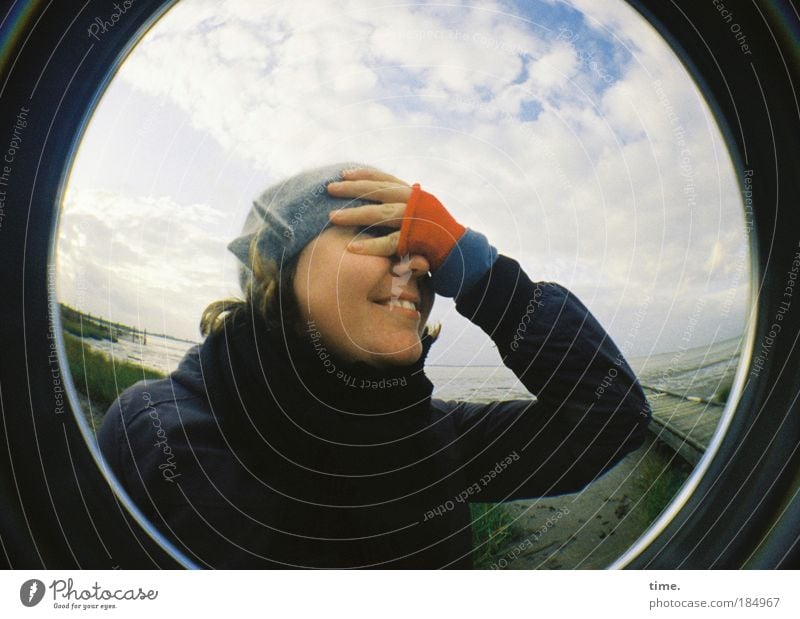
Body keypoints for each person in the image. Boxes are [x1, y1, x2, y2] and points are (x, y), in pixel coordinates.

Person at [98, 163, 651, 569]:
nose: (413, 261)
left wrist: (484, 275)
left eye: (422, 246)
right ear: (276, 265)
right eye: (376, 232)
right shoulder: (164, 434)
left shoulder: (432, 433)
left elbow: (610, 417)